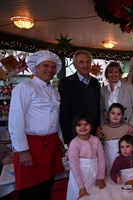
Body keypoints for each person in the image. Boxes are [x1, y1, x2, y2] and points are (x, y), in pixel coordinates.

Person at [8, 50, 64, 200]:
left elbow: (56, 121)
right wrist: (22, 150)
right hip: (32, 147)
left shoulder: (54, 92)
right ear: (36, 67)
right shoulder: (24, 88)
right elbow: (15, 120)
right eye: (45, 65)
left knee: (47, 185)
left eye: (53, 67)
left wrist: (61, 143)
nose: (50, 70)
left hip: (51, 145)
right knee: (30, 190)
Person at [58, 50, 101, 145]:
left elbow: (98, 108)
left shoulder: (95, 82)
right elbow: (64, 113)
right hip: (75, 134)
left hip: (94, 133)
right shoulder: (66, 83)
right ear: (75, 65)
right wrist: (68, 138)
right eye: (81, 62)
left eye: (88, 62)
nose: (85, 65)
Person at [66, 114, 106, 200]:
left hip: (94, 175)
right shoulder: (74, 143)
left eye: (86, 124)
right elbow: (74, 166)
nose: (83, 127)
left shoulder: (96, 140)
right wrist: (81, 186)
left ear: (91, 126)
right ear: (75, 128)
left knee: (94, 195)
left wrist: (101, 177)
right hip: (79, 177)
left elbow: (101, 160)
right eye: (79, 125)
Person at [100, 62, 133, 138]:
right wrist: (103, 125)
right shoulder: (102, 90)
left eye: (116, 72)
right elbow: (101, 110)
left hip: (128, 129)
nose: (113, 75)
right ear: (106, 74)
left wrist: (131, 124)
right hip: (109, 130)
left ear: (120, 74)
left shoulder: (129, 87)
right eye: (110, 72)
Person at [101, 103, 129, 175]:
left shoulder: (126, 128)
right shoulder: (103, 129)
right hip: (109, 161)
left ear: (122, 116)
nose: (115, 116)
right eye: (113, 113)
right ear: (108, 114)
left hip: (124, 161)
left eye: (118, 114)